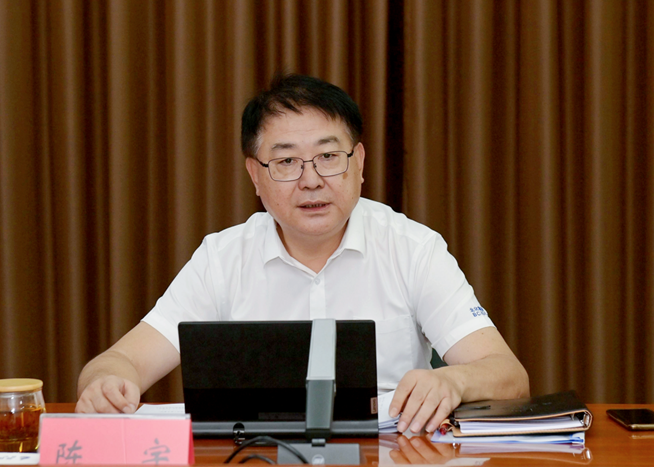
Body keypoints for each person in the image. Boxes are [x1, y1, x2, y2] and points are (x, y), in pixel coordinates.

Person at [76, 73, 529, 434]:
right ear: (255, 175)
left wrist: (452, 380)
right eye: (287, 161)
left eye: (329, 157)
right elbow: (119, 362)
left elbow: (509, 376)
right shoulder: (223, 258)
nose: (311, 180)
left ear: (359, 162)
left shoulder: (412, 247)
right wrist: (104, 384)